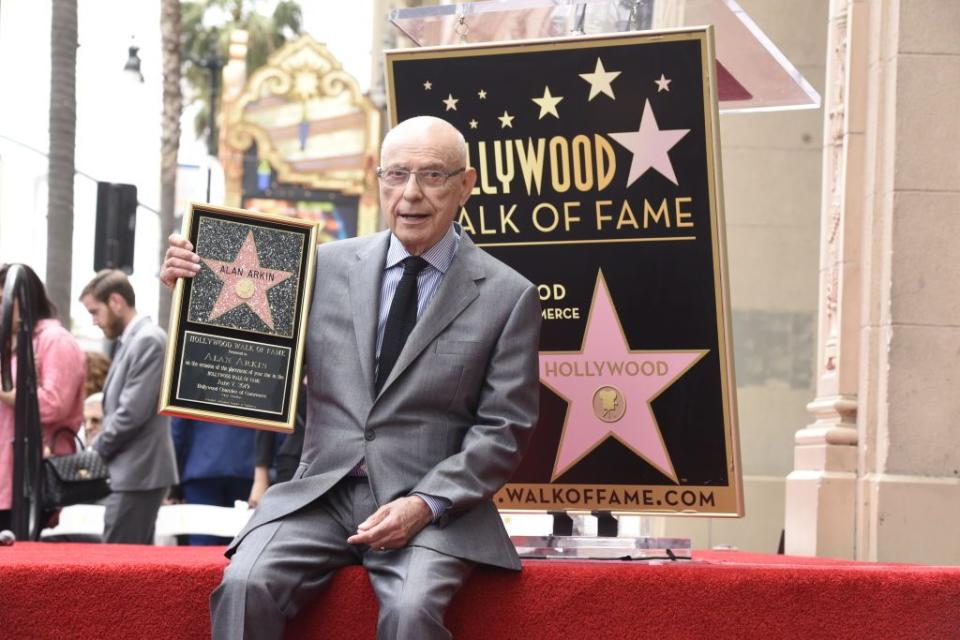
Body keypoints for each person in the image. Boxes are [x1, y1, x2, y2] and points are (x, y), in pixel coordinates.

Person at [161, 115, 541, 640]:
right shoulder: (316, 266)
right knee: (245, 586)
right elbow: (244, 332)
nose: (411, 193)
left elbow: (504, 429)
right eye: (396, 174)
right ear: (377, 178)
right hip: (317, 496)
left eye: (431, 176)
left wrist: (424, 504)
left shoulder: (506, 294)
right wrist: (191, 287)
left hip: (429, 508)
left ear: (465, 185)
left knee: (410, 613)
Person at [79, 269, 178, 544]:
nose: (94, 322)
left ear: (116, 302)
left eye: (94, 311)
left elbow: (131, 414)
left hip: (138, 473)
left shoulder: (148, 340)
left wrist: (93, 453)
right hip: (134, 472)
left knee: (117, 571)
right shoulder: (136, 340)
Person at [0, 263, 86, 531]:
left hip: (31, 479)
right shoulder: (14, 342)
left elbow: (53, 405)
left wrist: (6, 394)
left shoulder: (55, 340)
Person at [170, 417, 255, 545]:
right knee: (238, 545)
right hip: (246, 466)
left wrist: (174, 480)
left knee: (202, 545)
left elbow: (178, 429)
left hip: (201, 467)